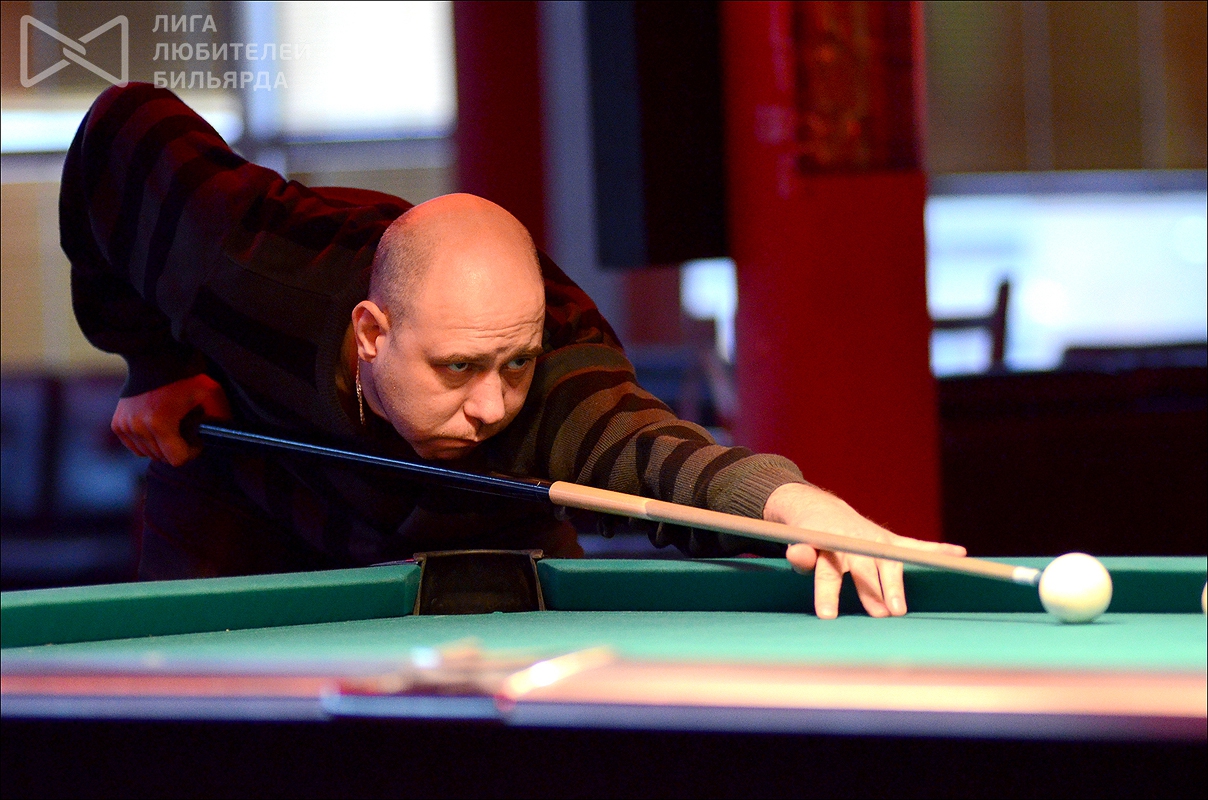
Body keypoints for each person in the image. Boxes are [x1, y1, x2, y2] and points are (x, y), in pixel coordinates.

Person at [63, 83, 964, 619]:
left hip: (474, 548)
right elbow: (120, 130)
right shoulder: (244, 261)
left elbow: (655, 458)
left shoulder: (557, 370)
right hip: (246, 501)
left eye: (516, 365)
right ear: (372, 333)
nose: (493, 406)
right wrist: (154, 364)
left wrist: (795, 505)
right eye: (457, 369)